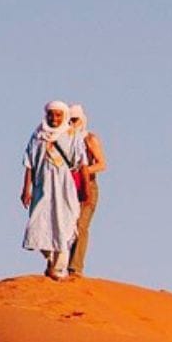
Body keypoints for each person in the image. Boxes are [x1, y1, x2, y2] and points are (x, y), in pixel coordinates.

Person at [21, 100, 84, 279]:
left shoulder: (72, 135)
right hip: (43, 187)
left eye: (58, 115)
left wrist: (85, 187)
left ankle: (58, 268)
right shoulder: (38, 135)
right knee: (38, 223)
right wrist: (27, 188)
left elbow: (81, 163)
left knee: (65, 224)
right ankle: (50, 259)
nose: (54, 118)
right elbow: (29, 163)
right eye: (51, 114)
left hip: (65, 187)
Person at [66, 104, 108, 278]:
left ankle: (75, 268)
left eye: (74, 119)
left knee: (81, 226)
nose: (71, 123)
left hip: (87, 186)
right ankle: (60, 265)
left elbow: (102, 163)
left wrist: (84, 171)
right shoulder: (64, 140)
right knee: (66, 226)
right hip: (68, 187)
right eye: (68, 120)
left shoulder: (89, 139)